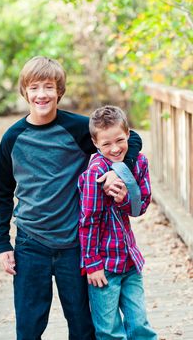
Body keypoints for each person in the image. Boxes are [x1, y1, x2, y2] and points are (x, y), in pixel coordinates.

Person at [0, 56, 142, 340]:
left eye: (48, 87)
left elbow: (130, 139)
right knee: (28, 327)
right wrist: (3, 243)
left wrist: (119, 172)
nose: (42, 94)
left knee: (83, 325)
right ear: (25, 92)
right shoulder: (12, 138)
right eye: (34, 87)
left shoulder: (77, 129)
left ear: (59, 91)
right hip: (30, 243)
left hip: (74, 244)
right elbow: (1, 193)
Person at [78, 105, 157, 340]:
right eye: (106, 144)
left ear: (128, 135)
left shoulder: (139, 162)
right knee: (110, 331)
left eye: (119, 140)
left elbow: (140, 207)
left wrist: (124, 199)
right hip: (104, 266)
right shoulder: (95, 173)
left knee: (140, 325)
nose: (115, 149)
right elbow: (88, 221)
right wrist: (92, 263)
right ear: (95, 143)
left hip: (130, 260)